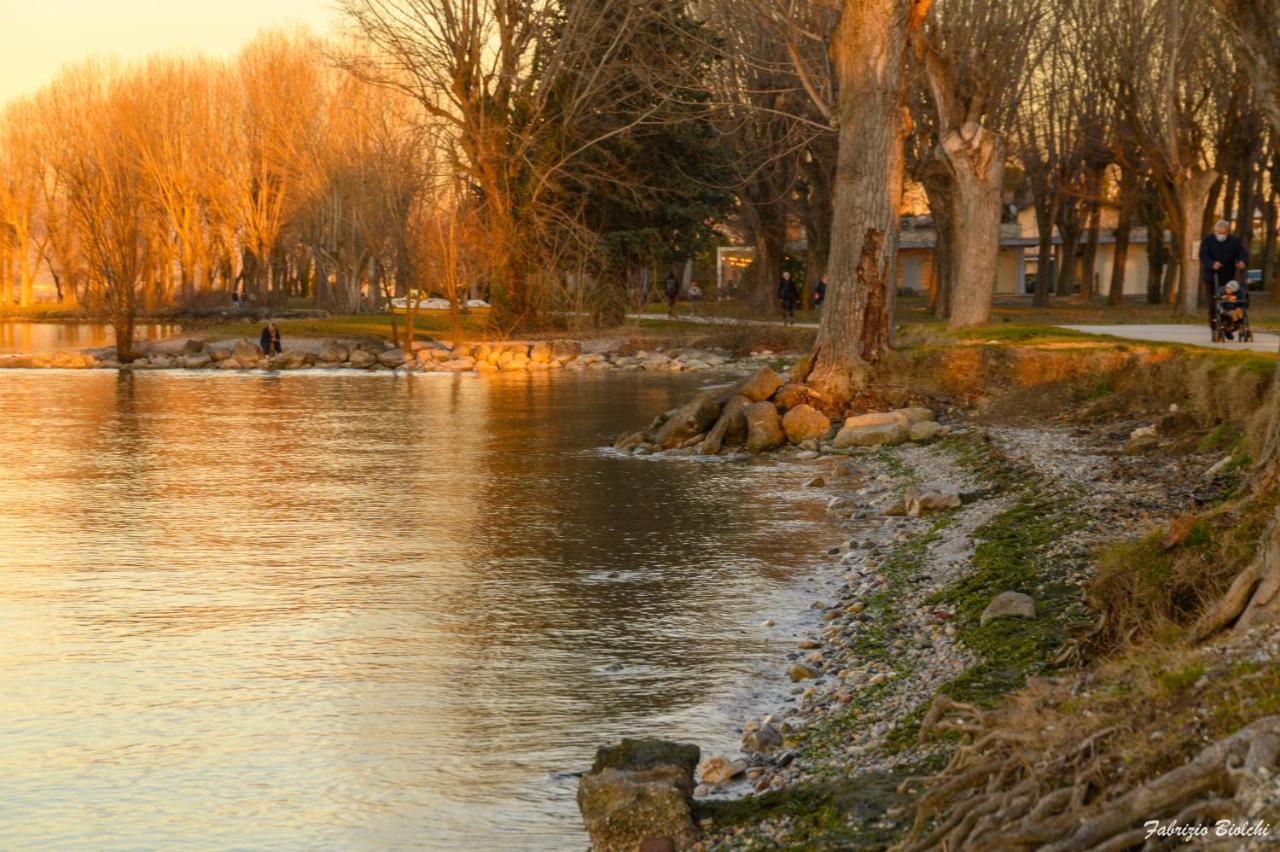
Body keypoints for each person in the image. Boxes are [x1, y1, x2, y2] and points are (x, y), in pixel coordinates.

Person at [1200, 219, 1248, 331]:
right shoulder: (1208, 240)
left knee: (1229, 302)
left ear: (1227, 231)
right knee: (1213, 303)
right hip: (1212, 277)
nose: (1221, 234)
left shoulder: (1234, 241)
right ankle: (1214, 326)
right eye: (1219, 232)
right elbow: (1203, 255)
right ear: (1215, 231)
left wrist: (1242, 262)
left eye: (1223, 232)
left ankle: (1228, 325)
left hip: (1228, 277)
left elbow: (1241, 253)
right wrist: (1212, 263)